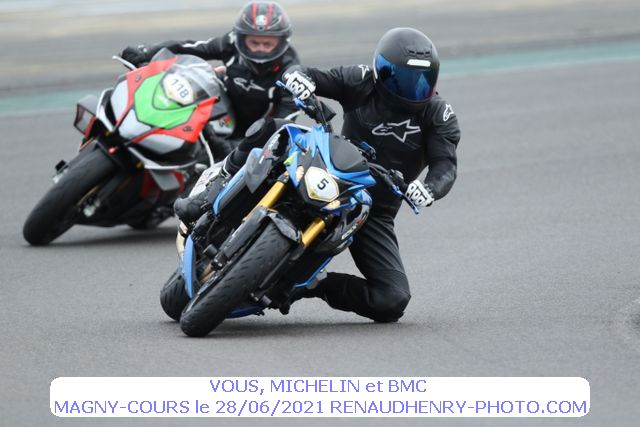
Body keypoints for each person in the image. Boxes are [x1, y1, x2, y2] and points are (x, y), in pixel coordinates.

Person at [182, 27, 461, 323]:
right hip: (326, 164)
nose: (414, 87)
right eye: (403, 78)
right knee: (274, 129)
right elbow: (310, 73)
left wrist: (429, 188)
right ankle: (209, 194)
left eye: (423, 79)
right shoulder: (362, 80)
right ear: (382, 71)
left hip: (372, 209)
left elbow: (445, 164)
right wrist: (298, 79)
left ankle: (312, 284)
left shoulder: (439, 114)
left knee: (393, 298)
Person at [120, 1, 300, 158]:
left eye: (267, 44)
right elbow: (190, 47)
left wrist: (239, 147)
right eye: (254, 42)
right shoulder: (231, 43)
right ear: (241, 39)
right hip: (219, 105)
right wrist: (147, 51)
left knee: (215, 165)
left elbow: (282, 128)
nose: (260, 49)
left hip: (251, 133)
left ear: (281, 42)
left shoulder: (291, 75)